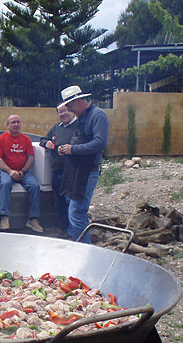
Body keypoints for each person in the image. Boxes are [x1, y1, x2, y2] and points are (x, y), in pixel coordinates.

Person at [57, 85, 109, 243]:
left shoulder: (98, 115)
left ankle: (85, 250)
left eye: (70, 106)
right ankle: (76, 243)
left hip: (88, 171)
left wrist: (73, 149)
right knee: (70, 208)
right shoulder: (82, 117)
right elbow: (78, 141)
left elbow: (99, 143)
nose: (70, 110)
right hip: (75, 171)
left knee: (77, 212)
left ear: (79, 101)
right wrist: (65, 149)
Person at [0, 114, 42, 233]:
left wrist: (23, 171)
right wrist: (10, 171)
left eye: (18, 122)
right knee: (5, 184)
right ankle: (4, 217)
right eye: (13, 122)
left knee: (35, 186)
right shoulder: (0, 139)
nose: (16, 125)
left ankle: (33, 219)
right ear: (7, 125)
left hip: (23, 171)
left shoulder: (26, 139)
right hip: (6, 170)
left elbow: (30, 157)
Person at [39, 105, 78, 235]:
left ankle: (75, 232)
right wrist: (47, 143)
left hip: (72, 171)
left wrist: (70, 148)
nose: (63, 114)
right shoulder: (57, 127)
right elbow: (43, 139)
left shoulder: (79, 126)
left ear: (71, 111)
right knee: (59, 202)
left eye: (65, 111)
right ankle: (65, 230)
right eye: (60, 112)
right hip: (56, 171)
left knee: (71, 203)